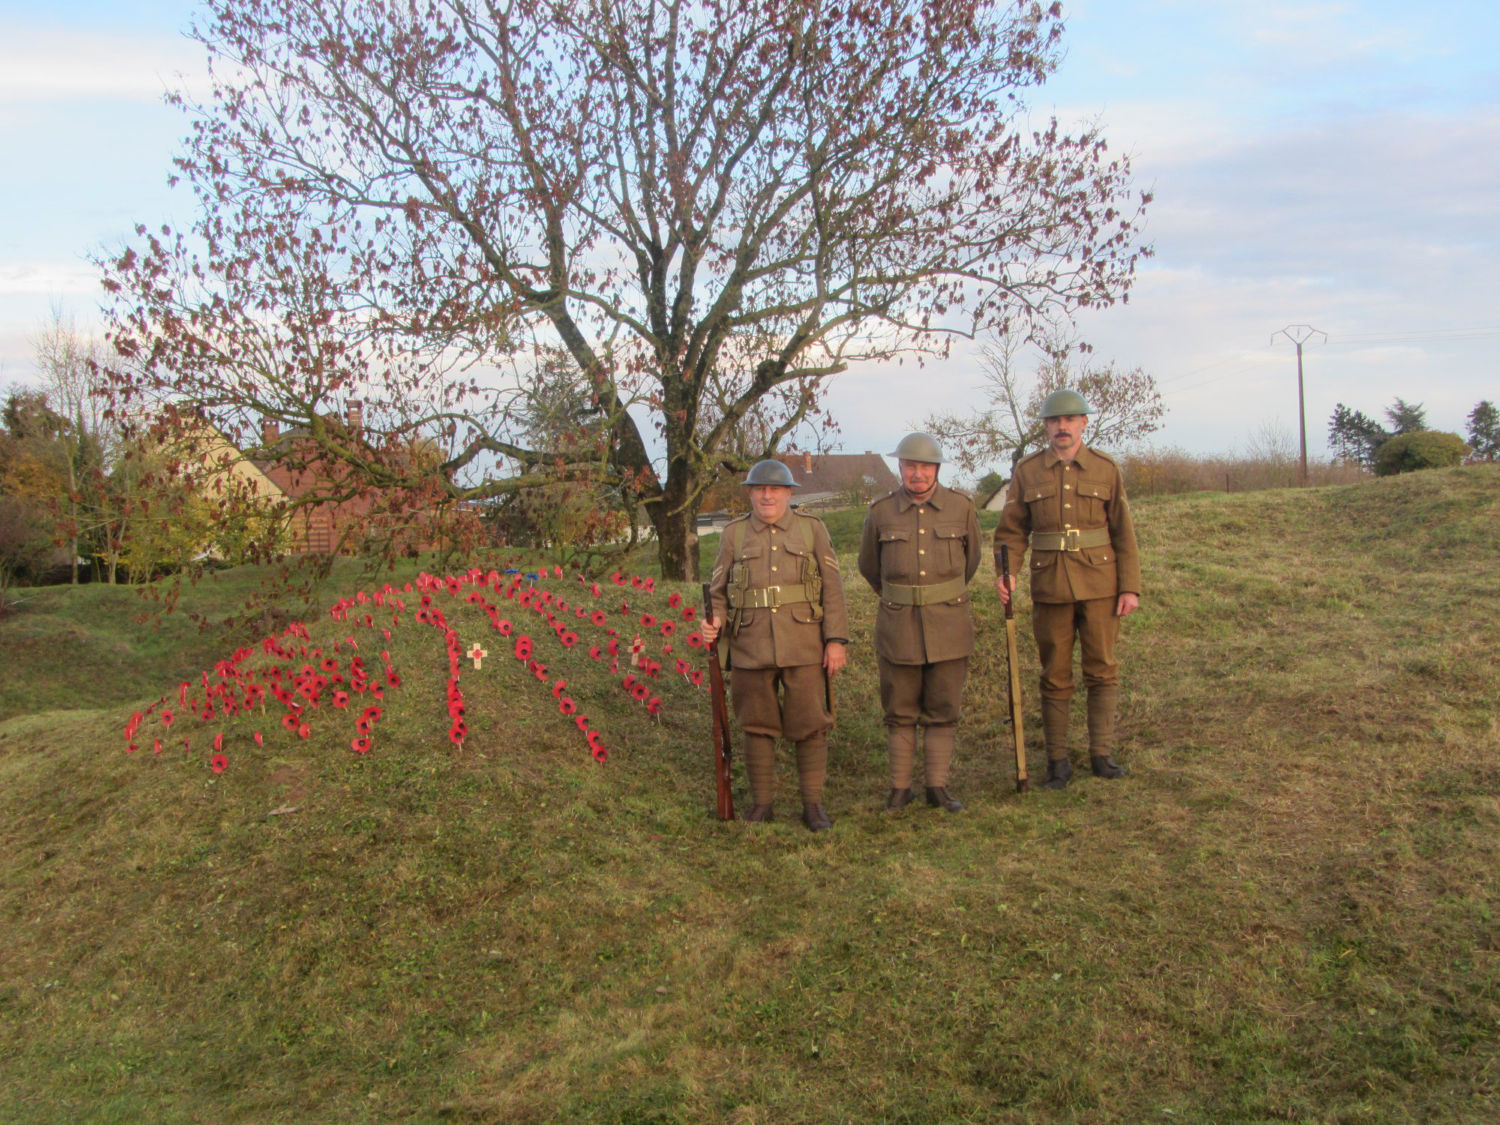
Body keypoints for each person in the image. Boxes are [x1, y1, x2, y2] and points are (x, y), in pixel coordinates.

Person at [993, 389, 1141, 788]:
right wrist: (1007, 573)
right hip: (1051, 586)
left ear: (1083, 423)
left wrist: (1130, 587)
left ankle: (1101, 755)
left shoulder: (1106, 469)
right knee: (1054, 673)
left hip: (1101, 585)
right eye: (1054, 421)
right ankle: (1057, 762)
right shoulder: (1027, 472)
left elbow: (1122, 533)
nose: (1062, 427)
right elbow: (1011, 532)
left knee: (1102, 670)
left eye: (1070, 420)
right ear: (1045, 426)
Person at [702, 460, 849, 831]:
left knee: (812, 724)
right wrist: (714, 620)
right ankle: (762, 805)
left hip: (804, 645)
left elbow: (833, 590)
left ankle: (813, 806)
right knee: (757, 725)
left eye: (775, 489)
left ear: (789, 493)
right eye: (759, 489)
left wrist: (835, 640)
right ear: (750, 493)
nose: (767, 495)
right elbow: (717, 592)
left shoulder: (812, 530)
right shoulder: (733, 535)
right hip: (751, 646)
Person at [857, 433, 981, 812]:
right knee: (900, 708)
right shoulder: (880, 512)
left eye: (925, 466)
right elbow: (868, 566)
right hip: (898, 627)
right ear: (900, 468)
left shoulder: (962, 509)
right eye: (910, 465)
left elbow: (971, 562)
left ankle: (937, 787)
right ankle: (899, 788)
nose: (917, 473)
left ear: (937, 469)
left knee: (943, 707)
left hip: (949, 624)